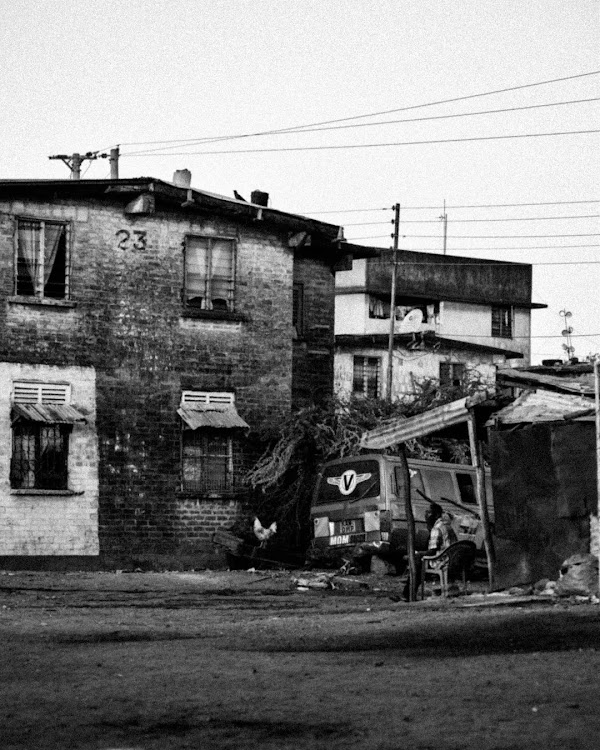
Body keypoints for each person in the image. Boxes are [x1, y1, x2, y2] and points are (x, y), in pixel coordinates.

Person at [400, 502, 457, 601]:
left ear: (436, 515)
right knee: (418, 560)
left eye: (429, 513)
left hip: (443, 561)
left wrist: (416, 555)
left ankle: (407, 594)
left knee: (417, 563)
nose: (426, 516)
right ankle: (407, 594)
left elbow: (432, 551)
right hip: (454, 560)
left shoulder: (437, 528)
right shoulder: (447, 526)